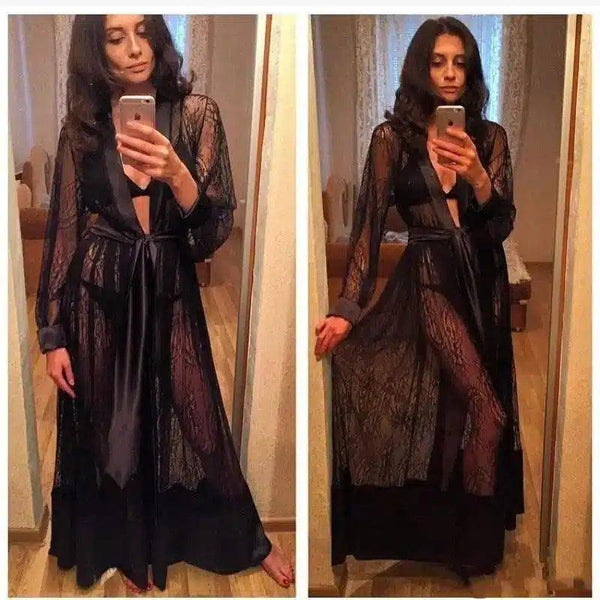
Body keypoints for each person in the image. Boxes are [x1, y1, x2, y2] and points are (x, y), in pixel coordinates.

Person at [36, 14, 293, 592]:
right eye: (115, 37)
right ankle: (128, 549)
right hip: (99, 291)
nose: (135, 48)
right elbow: (65, 233)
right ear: (95, 50)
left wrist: (177, 173)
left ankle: (250, 537)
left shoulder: (197, 114)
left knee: (200, 416)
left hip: (169, 282)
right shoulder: (83, 128)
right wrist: (53, 334)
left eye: (143, 31)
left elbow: (212, 231)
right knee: (113, 425)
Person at [315, 16, 524, 582]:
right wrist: (348, 308)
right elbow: (367, 228)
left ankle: (454, 532)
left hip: (482, 282)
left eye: (460, 62)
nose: (450, 73)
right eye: (438, 62)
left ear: (471, 71)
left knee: (459, 407)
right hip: (429, 276)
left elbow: (500, 225)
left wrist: (478, 177)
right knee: (488, 411)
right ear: (419, 69)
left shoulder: (490, 138)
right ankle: (472, 542)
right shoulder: (393, 140)